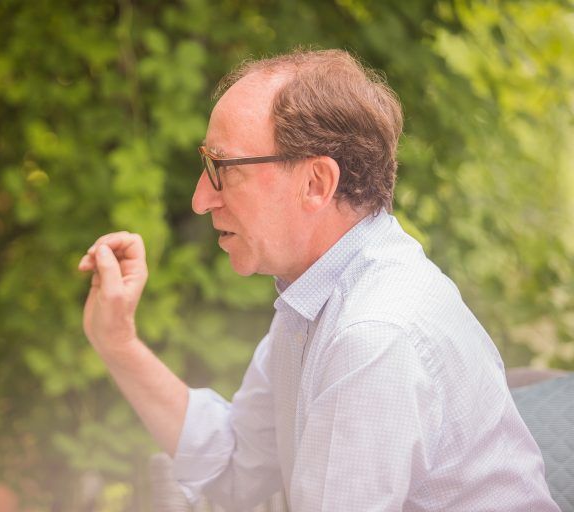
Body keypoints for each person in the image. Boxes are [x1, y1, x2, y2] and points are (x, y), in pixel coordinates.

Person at [78, 49, 559, 511]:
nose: (201, 199)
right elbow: (236, 464)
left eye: (223, 168)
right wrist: (117, 342)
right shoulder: (318, 294)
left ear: (316, 184)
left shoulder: (371, 337)